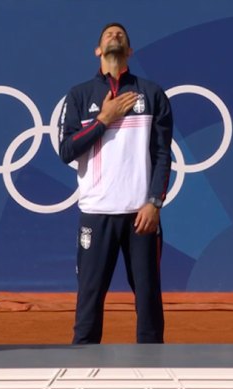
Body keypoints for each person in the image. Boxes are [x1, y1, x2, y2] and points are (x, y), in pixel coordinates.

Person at [58, 23, 173, 344]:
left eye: (120, 34)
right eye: (108, 34)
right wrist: (103, 120)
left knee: (148, 298)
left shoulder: (151, 94)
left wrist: (154, 202)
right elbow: (66, 150)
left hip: (142, 216)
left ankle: (153, 369)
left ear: (130, 51)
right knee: (89, 298)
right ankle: (82, 367)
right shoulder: (79, 95)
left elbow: (163, 154)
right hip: (96, 213)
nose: (114, 35)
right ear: (98, 50)